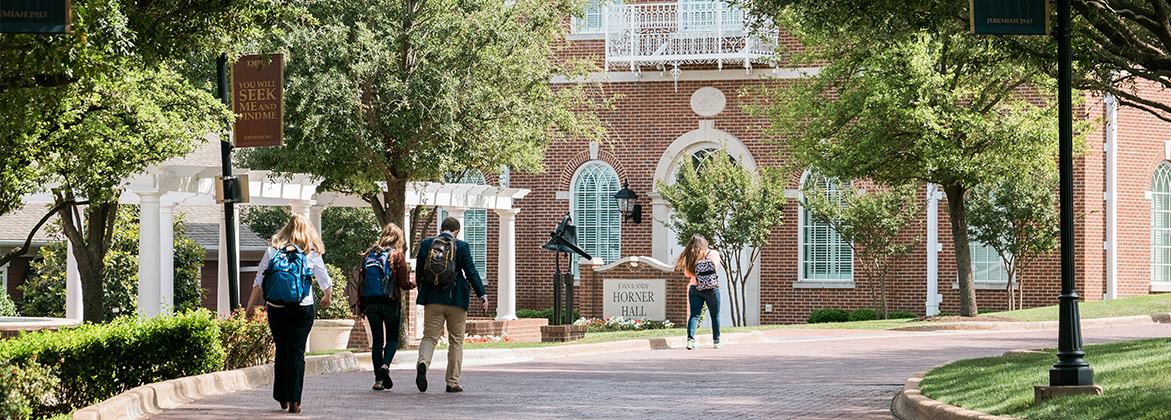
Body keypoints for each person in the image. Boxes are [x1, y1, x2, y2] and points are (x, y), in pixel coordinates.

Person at [245, 213, 332, 413]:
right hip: (303, 308)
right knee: (296, 351)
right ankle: (295, 399)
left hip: (276, 308)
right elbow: (324, 279)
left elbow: (259, 280)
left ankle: (282, 396)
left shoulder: (273, 251)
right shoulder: (311, 252)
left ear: (287, 228)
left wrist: (250, 306)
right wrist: (327, 296)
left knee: (281, 349)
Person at [415, 216, 488, 393]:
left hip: (433, 299)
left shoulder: (426, 244)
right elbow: (471, 271)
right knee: (456, 341)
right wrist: (482, 294)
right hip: (457, 300)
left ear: (441, 229)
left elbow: (419, 273)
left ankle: (423, 364)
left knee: (429, 338)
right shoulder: (461, 246)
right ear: (457, 232)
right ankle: (452, 382)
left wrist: (423, 291)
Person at [357, 222, 415, 391]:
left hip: (371, 304)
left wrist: (361, 307)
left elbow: (361, 283)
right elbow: (403, 284)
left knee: (377, 341)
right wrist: (413, 284)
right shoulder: (397, 256)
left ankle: (377, 381)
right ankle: (385, 366)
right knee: (392, 339)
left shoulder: (368, 255)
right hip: (390, 303)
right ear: (398, 238)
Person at [674, 233, 721, 350]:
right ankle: (716, 341)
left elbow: (687, 274)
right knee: (715, 315)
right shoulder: (713, 254)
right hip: (711, 288)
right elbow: (714, 269)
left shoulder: (692, 257)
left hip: (695, 288)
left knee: (694, 315)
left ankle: (690, 341)